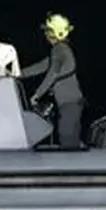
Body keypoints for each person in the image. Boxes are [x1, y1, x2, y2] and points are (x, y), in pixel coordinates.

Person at [21, 13, 84, 149]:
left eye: (48, 31)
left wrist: (37, 95)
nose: (46, 35)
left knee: (68, 141)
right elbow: (43, 66)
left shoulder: (59, 49)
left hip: (69, 103)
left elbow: (52, 74)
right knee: (70, 139)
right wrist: (18, 74)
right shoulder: (62, 50)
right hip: (70, 103)